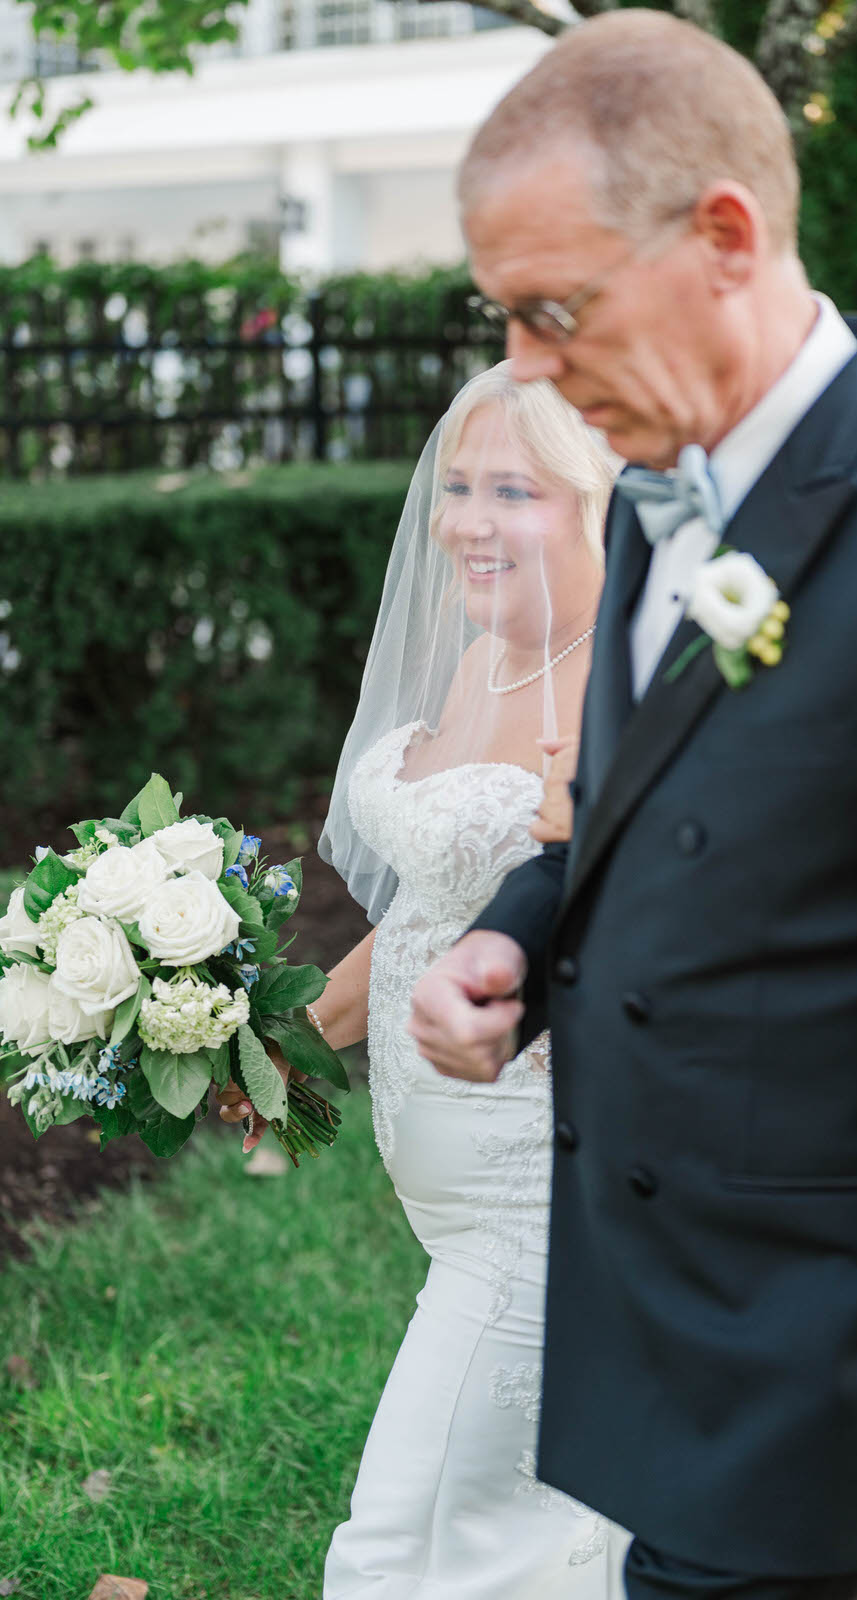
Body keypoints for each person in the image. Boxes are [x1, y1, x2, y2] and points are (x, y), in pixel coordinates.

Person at [407, 12, 857, 1600]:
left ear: (721, 236)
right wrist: (515, 934)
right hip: (661, 1321)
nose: (525, 369)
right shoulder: (659, 500)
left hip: (821, 1352)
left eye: (553, 310)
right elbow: (650, 808)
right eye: (502, 319)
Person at [226, 363, 628, 1596]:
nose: (461, 520)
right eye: (455, 485)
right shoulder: (481, 665)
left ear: (600, 498)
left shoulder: (626, 689)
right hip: (452, 1213)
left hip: (538, 1213)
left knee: (405, 1544)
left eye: (510, 489)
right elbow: (431, 921)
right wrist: (276, 1040)